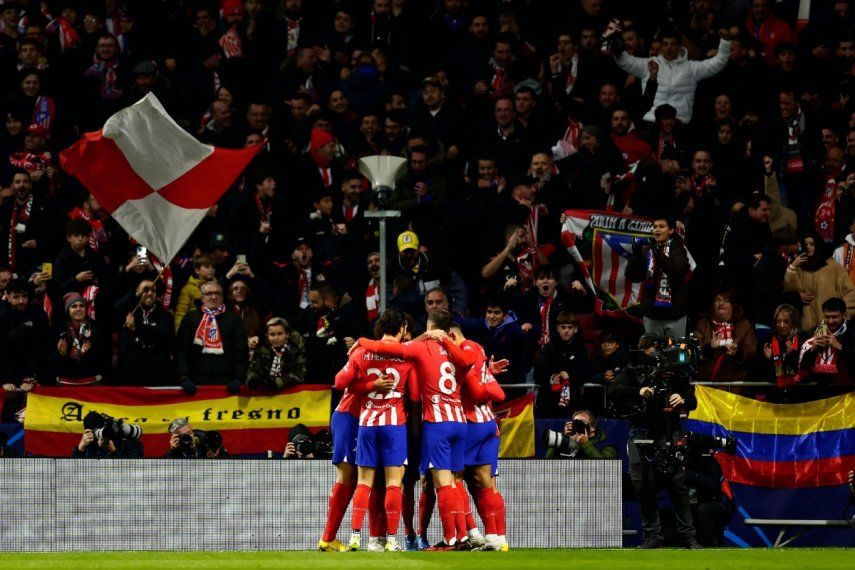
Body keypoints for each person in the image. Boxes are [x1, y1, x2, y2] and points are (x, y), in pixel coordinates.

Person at [354, 310, 490, 550]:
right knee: (456, 481)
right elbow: (470, 368)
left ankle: (451, 539)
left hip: (435, 423)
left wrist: (362, 342)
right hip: (460, 422)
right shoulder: (457, 352)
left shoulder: (422, 348)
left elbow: (391, 351)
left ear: (429, 326)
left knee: (441, 481)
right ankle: (467, 534)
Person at [607, 334, 702, 550]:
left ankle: (689, 536)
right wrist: (638, 391)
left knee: (677, 485)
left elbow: (693, 399)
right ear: (643, 351)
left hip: (669, 432)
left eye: (657, 349)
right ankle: (652, 536)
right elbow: (612, 391)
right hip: (640, 432)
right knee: (643, 487)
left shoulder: (676, 372)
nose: (655, 355)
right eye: (650, 350)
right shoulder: (633, 370)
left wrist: (683, 398)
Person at [339, 309, 419, 552]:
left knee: (364, 482)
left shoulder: (361, 351)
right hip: (394, 425)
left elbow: (340, 382)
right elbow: (415, 396)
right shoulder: (407, 356)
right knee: (395, 483)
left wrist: (369, 385)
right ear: (403, 328)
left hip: (367, 424)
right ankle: (392, 541)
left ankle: (355, 537)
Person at [614, 26, 731, 123]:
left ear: (680, 46)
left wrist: (725, 42)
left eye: (673, 44)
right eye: (665, 44)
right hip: (652, 121)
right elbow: (625, 61)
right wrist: (617, 49)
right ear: (660, 46)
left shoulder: (692, 68)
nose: (669, 48)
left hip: (679, 122)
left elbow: (718, 63)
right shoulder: (649, 64)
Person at [175, 281, 248, 395]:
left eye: (217, 293)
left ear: (222, 297)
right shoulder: (190, 317)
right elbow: (181, 349)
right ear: (202, 298)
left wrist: (238, 378)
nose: (214, 297)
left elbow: (241, 351)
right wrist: (183, 377)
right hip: (195, 382)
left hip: (226, 382)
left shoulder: (234, 319)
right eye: (209, 294)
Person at [625, 215, 691, 339]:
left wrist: (658, 254)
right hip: (652, 316)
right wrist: (636, 255)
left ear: (671, 230)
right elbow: (633, 276)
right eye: (654, 227)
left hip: (674, 316)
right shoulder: (648, 250)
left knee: (674, 356)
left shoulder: (679, 249)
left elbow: (678, 272)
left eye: (661, 226)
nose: (657, 230)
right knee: (653, 355)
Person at [784, 234, 855, 331]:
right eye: (806, 245)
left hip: (830, 325)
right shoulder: (800, 268)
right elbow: (788, 289)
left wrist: (843, 315)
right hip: (806, 327)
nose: (808, 247)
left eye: (812, 244)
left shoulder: (832, 266)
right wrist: (792, 267)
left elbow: (850, 292)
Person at [115, 279, 174, 386]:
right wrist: (136, 294)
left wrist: (136, 328)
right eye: (146, 290)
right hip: (130, 369)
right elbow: (116, 308)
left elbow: (161, 334)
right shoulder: (128, 311)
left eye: (153, 291)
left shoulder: (165, 315)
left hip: (156, 370)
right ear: (138, 291)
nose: (150, 293)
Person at [694, 287, 758, 382]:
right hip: (709, 385)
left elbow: (752, 352)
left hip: (737, 386)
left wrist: (738, 351)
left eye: (726, 300)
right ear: (713, 305)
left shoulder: (744, 325)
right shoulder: (703, 324)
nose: (721, 303)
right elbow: (694, 353)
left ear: (732, 305)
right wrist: (710, 347)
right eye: (717, 300)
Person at [534, 311, 591, 417]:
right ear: (557, 328)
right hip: (548, 403)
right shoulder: (548, 348)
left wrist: (570, 375)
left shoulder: (581, 350)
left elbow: (586, 372)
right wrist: (551, 378)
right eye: (563, 327)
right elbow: (538, 372)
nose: (566, 331)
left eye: (570, 327)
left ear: (575, 329)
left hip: (573, 404)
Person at [798, 297, 855, 385]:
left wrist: (840, 347)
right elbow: (803, 368)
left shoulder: (852, 332)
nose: (830, 321)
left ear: (844, 315)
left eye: (835, 317)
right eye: (827, 317)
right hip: (819, 389)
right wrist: (813, 349)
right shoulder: (813, 332)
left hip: (847, 389)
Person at [247, 317, 306, 390]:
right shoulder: (262, 349)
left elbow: (300, 375)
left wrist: (277, 382)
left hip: (289, 394)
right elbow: (253, 371)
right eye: (272, 334)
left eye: (280, 334)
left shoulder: (295, 350)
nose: (276, 338)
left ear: (287, 334)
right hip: (266, 393)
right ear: (267, 336)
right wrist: (252, 380)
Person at [546, 409, 617, 460]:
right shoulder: (568, 439)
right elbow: (547, 460)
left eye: (582, 422)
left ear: (592, 428)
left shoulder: (605, 445)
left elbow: (607, 468)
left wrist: (586, 444)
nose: (578, 425)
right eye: (575, 423)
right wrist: (562, 437)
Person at [72, 411, 143, 458]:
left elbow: (133, 472)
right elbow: (74, 473)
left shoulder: (129, 445)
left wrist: (113, 451)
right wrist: (80, 449)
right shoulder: (87, 446)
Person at [174, 254, 218, 331]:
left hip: (213, 331)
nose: (211, 270)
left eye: (213, 267)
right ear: (197, 270)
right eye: (207, 266)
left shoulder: (218, 288)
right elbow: (180, 314)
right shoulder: (188, 289)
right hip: (194, 331)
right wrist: (180, 335)